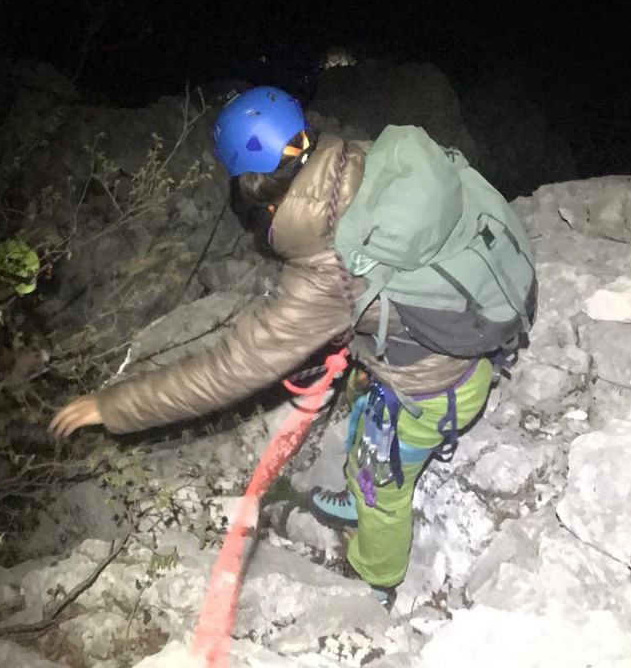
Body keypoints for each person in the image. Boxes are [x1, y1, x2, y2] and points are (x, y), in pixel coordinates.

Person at [49, 86, 536, 607]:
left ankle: (377, 579)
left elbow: (228, 369)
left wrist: (113, 405)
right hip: (458, 326)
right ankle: (354, 492)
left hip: (434, 384)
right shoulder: (359, 161)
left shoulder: (328, 271)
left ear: (252, 185)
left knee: (382, 485)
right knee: (361, 415)